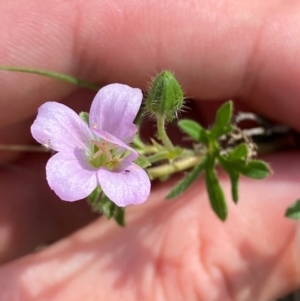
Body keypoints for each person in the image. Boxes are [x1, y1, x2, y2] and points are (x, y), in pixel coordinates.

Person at [0, 1, 299, 300]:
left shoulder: (120, 125)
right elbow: (74, 176)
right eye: (101, 151)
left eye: (108, 151)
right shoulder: (80, 159)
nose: (104, 151)